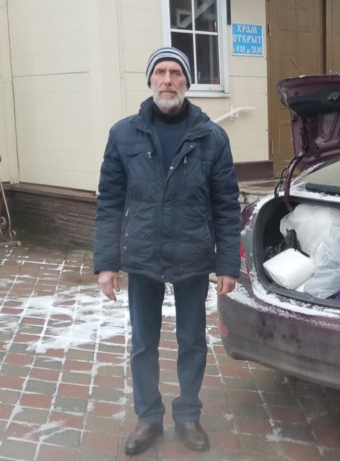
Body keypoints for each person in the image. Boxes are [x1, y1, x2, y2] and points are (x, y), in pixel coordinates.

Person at [93, 46, 241, 455]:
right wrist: (107, 263)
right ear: (150, 80)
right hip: (142, 255)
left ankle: (188, 416)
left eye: (176, 73)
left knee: (192, 341)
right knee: (144, 343)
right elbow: (109, 202)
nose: (168, 80)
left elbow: (226, 204)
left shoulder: (212, 137)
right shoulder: (124, 134)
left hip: (193, 255)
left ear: (187, 82)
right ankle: (149, 418)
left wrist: (228, 263)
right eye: (160, 72)